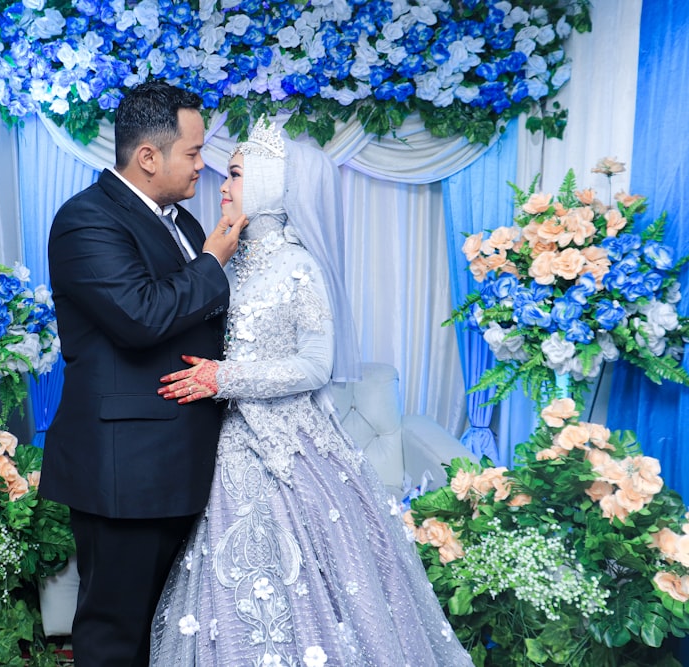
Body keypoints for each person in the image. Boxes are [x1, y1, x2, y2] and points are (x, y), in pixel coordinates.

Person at [149, 118, 473, 666]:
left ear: (272, 184)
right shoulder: (229, 261)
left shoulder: (298, 267)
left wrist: (221, 378)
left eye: (233, 174)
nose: (221, 186)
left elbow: (316, 366)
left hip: (288, 445)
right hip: (230, 443)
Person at [40, 80, 247, 667]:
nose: (202, 166)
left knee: (171, 631)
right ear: (149, 156)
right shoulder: (87, 220)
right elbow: (140, 316)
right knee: (115, 631)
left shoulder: (180, 221)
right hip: (125, 470)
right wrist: (213, 263)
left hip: (182, 462)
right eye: (194, 152)